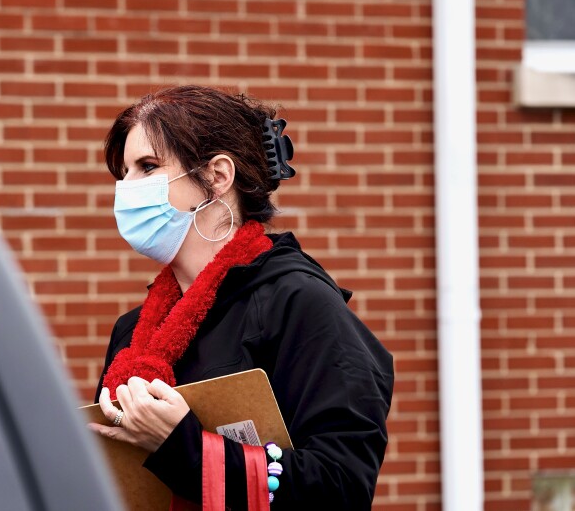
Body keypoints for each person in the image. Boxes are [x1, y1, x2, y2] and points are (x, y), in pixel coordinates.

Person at [88, 85, 393, 509]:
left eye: (148, 166)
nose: (127, 188)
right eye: (124, 172)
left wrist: (182, 446)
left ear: (218, 176)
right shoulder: (132, 333)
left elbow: (341, 485)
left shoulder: (299, 304)